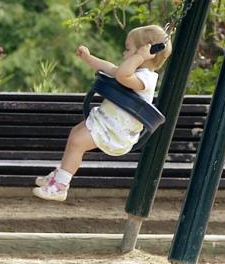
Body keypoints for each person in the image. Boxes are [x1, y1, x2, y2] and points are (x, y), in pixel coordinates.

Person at [33, 25, 172, 202]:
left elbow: (121, 74)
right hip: (105, 123)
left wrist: (139, 56)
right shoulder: (133, 72)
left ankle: (60, 187)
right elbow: (110, 67)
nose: (124, 53)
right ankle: (61, 174)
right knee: (75, 135)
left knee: (77, 142)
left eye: (128, 49)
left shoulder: (146, 78)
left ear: (147, 52)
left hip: (116, 132)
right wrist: (89, 58)